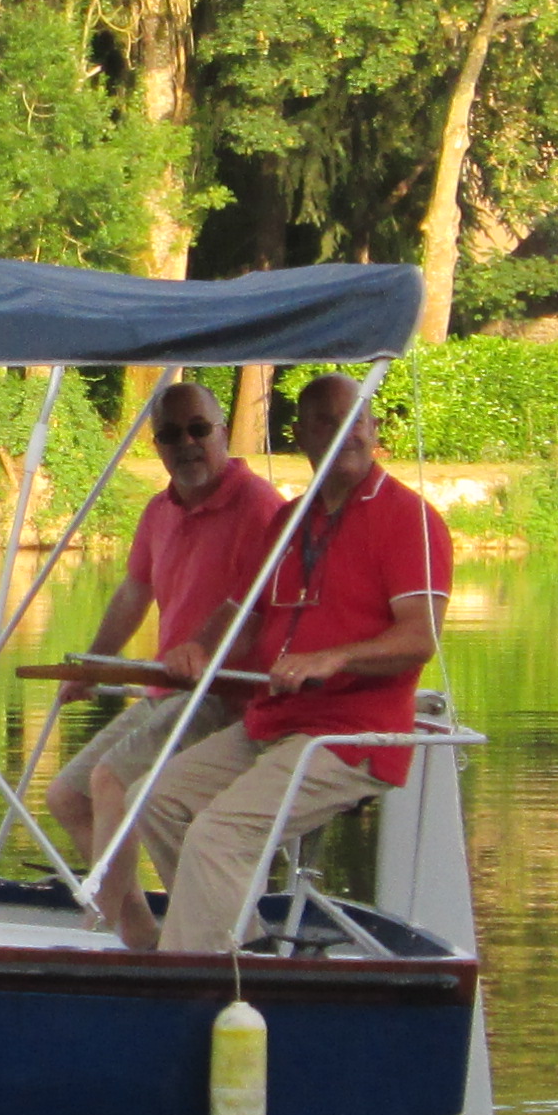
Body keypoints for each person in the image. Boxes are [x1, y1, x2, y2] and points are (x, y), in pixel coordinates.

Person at [114, 371, 452, 954]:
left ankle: (190, 977)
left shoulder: (410, 519)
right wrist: (201, 647)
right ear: (301, 434)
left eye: (353, 418)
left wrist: (334, 657)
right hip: (276, 720)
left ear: (373, 430)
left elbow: (420, 639)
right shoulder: (289, 519)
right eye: (323, 419)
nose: (340, 431)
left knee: (218, 835)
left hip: (353, 735)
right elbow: (246, 614)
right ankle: (242, 952)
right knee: (153, 800)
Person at [50, 377, 289, 876]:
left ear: (222, 432)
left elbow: (253, 607)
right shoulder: (160, 509)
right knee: (68, 795)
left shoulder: (259, 506)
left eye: (198, 429)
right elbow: (134, 592)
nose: (187, 444)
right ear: (156, 445)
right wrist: (93, 664)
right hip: (170, 692)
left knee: (117, 783)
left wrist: (202, 650)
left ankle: (199, 923)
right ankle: (133, 929)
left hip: (223, 697)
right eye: (170, 435)